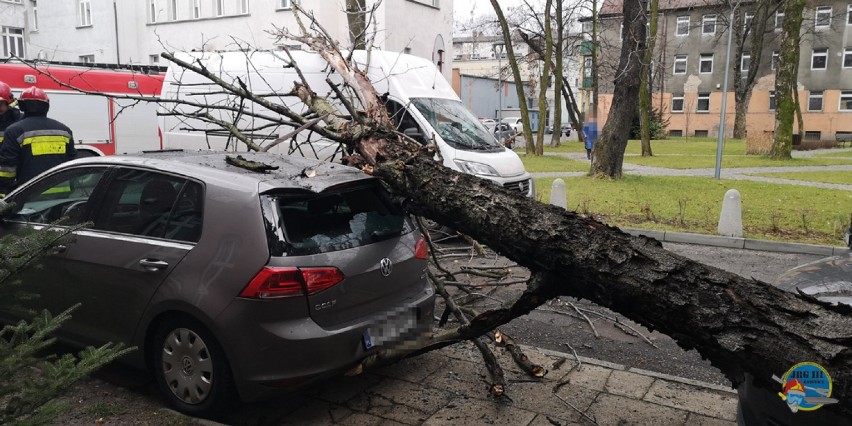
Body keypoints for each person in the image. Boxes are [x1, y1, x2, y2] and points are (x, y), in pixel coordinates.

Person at [0, 86, 76, 197]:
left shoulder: (14, 131)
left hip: (31, 194)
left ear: (21, 105)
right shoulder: (64, 130)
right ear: (46, 105)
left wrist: (6, 193)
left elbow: (7, 170)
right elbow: (72, 161)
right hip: (62, 193)